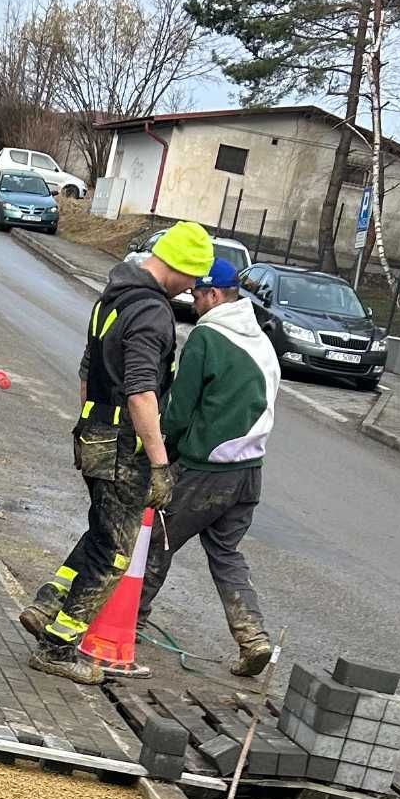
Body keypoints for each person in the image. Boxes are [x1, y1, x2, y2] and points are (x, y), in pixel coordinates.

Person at [20, 220, 215, 685]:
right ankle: (58, 648)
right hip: (123, 445)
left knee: (104, 529)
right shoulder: (151, 312)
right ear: (182, 267)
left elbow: (87, 369)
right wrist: (159, 461)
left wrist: (90, 422)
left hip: (94, 434)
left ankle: (49, 603)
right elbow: (142, 392)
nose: (193, 288)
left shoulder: (115, 296)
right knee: (115, 553)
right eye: (193, 277)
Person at [136, 252, 279, 676]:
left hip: (206, 470)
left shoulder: (208, 337)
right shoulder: (259, 339)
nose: (193, 302)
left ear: (214, 295)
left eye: (198, 294)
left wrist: (164, 455)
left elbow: (179, 409)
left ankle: (127, 624)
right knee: (225, 553)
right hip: (249, 472)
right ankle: (253, 637)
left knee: (157, 542)